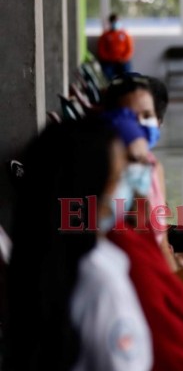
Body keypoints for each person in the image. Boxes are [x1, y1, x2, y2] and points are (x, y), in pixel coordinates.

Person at [6, 118, 152, 371]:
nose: (126, 186)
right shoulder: (102, 283)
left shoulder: (32, 256)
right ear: (90, 190)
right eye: (118, 177)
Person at [102, 74, 183, 322]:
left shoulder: (152, 166)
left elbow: (154, 225)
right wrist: (167, 262)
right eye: (129, 116)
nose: (139, 124)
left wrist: (168, 254)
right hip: (137, 266)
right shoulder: (106, 165)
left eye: (148, 115)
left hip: (155, 255)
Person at [97, 13, 134, 80]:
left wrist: (123, 58)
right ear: (110, 23)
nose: (115, 23)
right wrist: (109, 59)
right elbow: (101, 51)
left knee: (127, 73)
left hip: (123, 61)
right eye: (113, 22)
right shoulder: (105, 35)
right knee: (107, 74)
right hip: (109, 62)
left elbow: (129, 49)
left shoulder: (125, 34)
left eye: (116, 21)